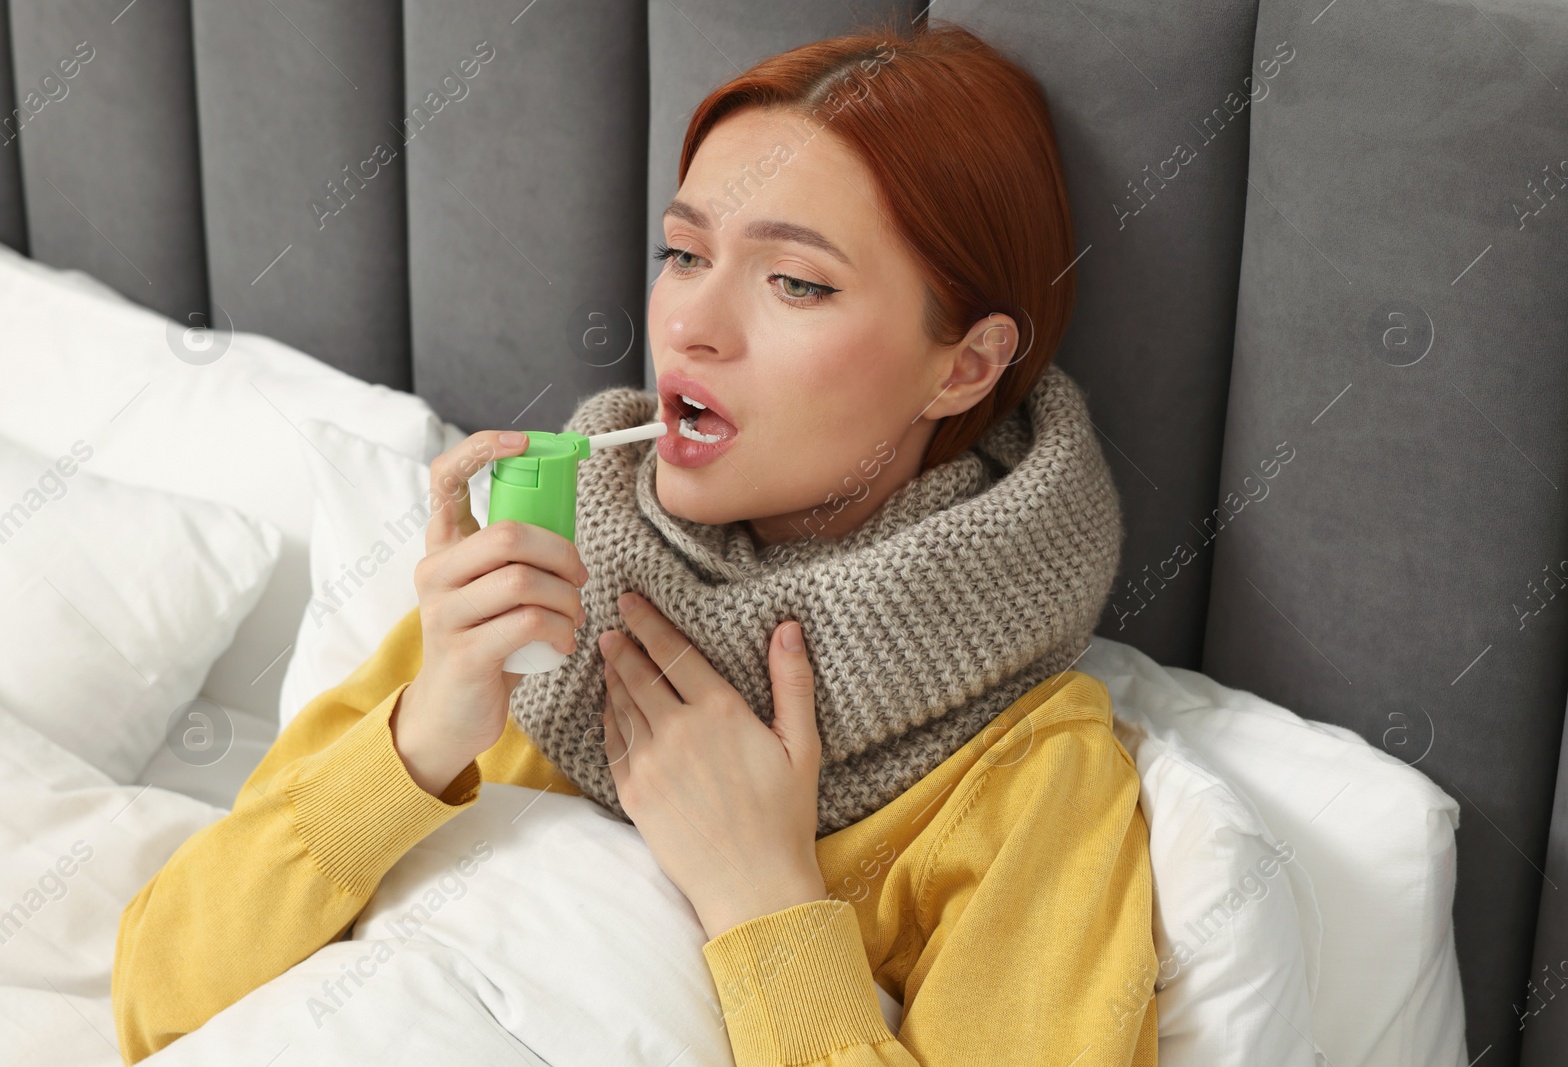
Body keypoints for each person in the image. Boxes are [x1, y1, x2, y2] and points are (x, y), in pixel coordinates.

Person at [113, 17, 1157, 1065]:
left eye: (796, 281)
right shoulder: (534, 591)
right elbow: (156, 994)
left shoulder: (1035, 777)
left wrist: (761, 891)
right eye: (685, 252)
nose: (690, 324)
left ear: (965, 367)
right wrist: (420, 737)